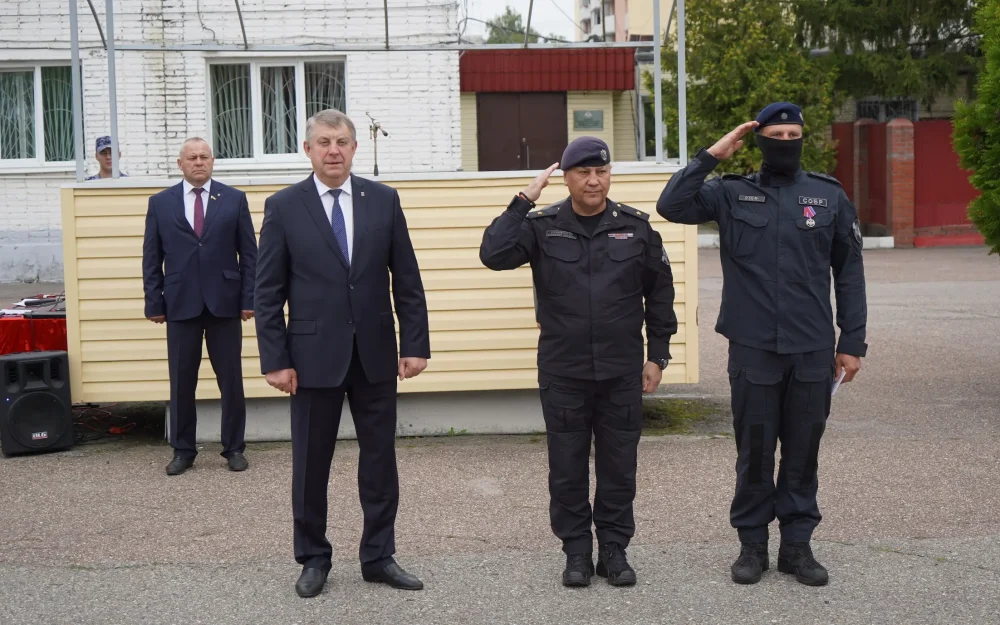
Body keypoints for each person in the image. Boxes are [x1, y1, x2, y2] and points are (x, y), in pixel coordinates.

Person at [656, 102, 868, 587]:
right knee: (754, 449)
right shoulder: (732, 194)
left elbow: (850, 273)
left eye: (795, 133)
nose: (787, 141)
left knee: (802, 449)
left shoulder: (827, 195)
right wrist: (712, 154)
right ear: (759, 139)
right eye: (777, 133)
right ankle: (752, 547)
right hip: (753, 347)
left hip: (812, 347)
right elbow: (671, 205)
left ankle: (797, 547)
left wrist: (851, 341)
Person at [479, 136, 678, 588]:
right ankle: (576, 553)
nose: (594, 181)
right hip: (563, 371)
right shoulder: (540, 226)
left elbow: (659, 295)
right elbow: (492, 255)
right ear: (565, 178)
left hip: (621, 371)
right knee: (566, 467)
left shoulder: (637, 228)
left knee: (619, 466)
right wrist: (522, 200)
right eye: (584, 173)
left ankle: (614, 550)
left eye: (601, 172)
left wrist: (658, 355)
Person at [254, 109, 431, 598]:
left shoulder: (383, 200)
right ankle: (313, 557)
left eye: (343, 142)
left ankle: (378, 556)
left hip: (375, 354)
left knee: (380, 462)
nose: (334, 150)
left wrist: (415, 344)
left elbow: (407, 279)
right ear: (307, 150)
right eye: (325, 142)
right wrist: (275, 358)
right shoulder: (284, 206)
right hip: (310, 360)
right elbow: (267, 292)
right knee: (311, 465)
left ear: (355, 149)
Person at [142, 137, 257, 476]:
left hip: (225, 303)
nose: (198, 162)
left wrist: (249, 299)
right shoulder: (161, 203)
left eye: (204, 157)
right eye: (191, 157)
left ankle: (234, 448)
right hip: (179, 304)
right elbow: (152, 257)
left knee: (231, 381)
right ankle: (183, 450)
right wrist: (154, 302)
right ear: (180, 163)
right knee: (181, 382)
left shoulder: (234, 200)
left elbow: (249, 254)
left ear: (213, 161)